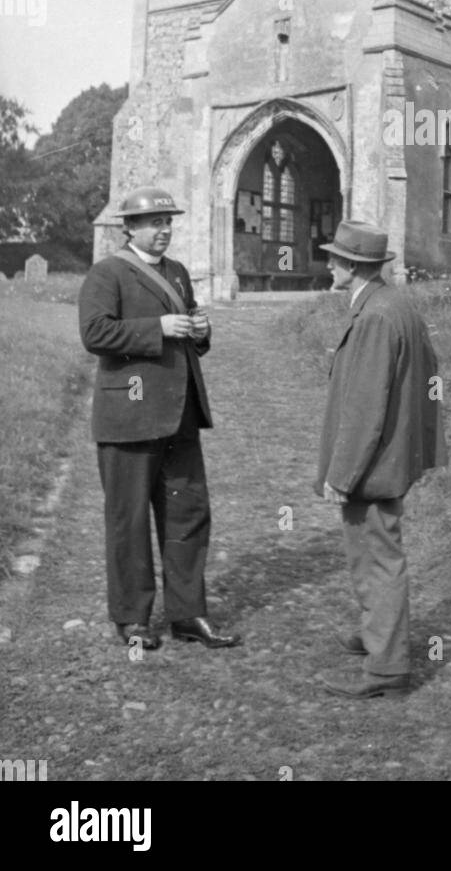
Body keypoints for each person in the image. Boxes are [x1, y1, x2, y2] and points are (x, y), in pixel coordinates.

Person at [78, 186, 241, 652]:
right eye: (153, 223)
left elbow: (186, 334)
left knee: (188, 516)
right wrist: (160, 328)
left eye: (168, 221)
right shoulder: (107, 273)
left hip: (180, 419)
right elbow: (94, 332)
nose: (163, 230)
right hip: (127, 419)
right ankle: (132, 619)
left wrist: (199, 331)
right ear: (128, 227)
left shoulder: (179, 273)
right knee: (128, 522)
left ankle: (188, 614)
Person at [314, 220, 447, 698]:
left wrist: (341, 475)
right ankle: (378, 636)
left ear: (352, 266)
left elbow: (365, 406)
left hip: (373, 463)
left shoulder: (374, 316)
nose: (328, 264)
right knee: (373, 552)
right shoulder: (393, 304)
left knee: (376, 558)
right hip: (391, 455)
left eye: (334, 258)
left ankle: (387, 669)